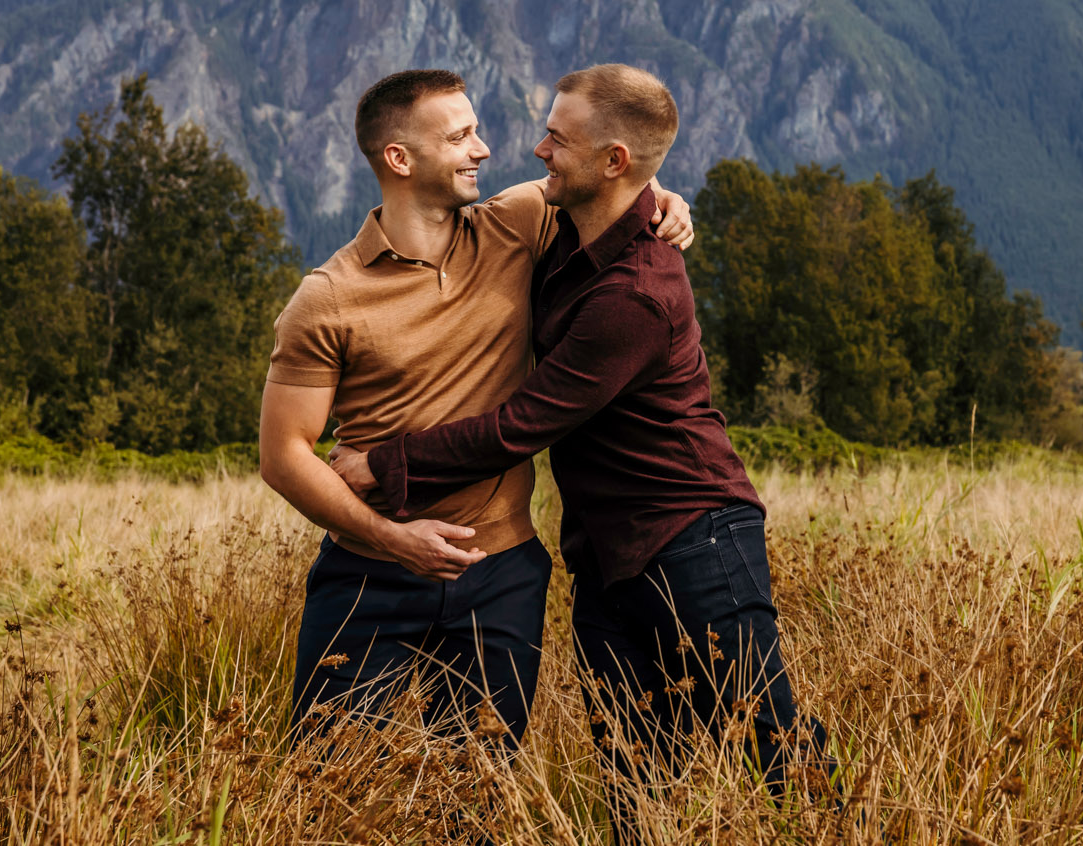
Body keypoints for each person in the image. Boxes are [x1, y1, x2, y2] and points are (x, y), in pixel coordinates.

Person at [331, 63, 825, 817]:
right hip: (604, 556)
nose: (536, 151)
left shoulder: (636, 293)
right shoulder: (563, 227)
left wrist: (382, 463)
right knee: (634, 776)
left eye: (556, 139)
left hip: (692, 540)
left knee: (772, 740)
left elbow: (523, 425)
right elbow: (616, 193)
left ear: (612, 161)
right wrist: (664, 196)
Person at [257, 67, 695, 745]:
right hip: (369, 573)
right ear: (400, 159)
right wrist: (394, 541)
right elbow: (284, 455)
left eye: (477, 130)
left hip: (502, 579)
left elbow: (610, 175)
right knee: (329, 786)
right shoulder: (326, 298)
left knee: (480, 796)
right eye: (461, 136)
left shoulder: (517, 223)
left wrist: (666, 199)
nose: (484, 149)